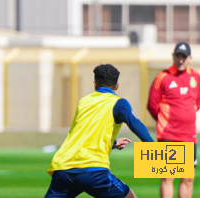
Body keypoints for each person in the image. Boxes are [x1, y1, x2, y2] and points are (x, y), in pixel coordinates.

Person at [45, 64, 154, 198]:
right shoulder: (118, 103)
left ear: (95, 84)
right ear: (117, 86)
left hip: (63, 169)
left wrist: (111, 143)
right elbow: (135, 124)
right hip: (92, 170)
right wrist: (154, 149)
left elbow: (84, 134)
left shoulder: (83, 101)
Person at [147, 42, 200, 198]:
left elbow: (197, 103)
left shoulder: (196, 76)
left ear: (189, 58)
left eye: (184, 57)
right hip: (168, 135)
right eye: (178, 56)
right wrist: (166, 122)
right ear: (173, 56)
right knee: (168, 176)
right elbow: (152, 105)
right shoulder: (163, 77)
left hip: (189, 136)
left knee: (188, 178)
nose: (180, 60)